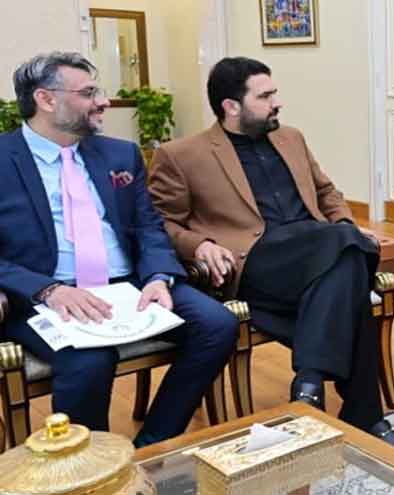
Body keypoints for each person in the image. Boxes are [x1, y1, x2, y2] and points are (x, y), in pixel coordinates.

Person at [148, 57, 394, 458]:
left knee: (346, 266)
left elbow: (327, 192)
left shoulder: (291, 138)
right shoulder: (182, 154)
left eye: (274, 93)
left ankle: (313, 386)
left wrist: (345, 223)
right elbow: (161, 222)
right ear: (231, 106)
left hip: (318, 254)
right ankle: (364, 416)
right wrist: (199, 245)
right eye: (265, 96)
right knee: (348, 253)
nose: (277, 103)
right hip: (256, 260)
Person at [0, 52, 238, 446]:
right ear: (46, 99)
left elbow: (148, 225)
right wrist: (49, 290)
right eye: (88, 93)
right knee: (90, 359)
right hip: (45, 294)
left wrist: (159, 277)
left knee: (218, 325)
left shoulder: (119, 154)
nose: (103, 101)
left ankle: (152, 445)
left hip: (129, 284)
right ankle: (93, 466)